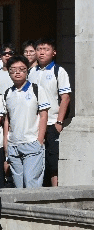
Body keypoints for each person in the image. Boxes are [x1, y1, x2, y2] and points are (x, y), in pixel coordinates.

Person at [28, 38, 72, 186]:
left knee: (53, 161)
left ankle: (55, 190)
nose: (42, 52)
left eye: (46, 49)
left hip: (52, 122)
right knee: (36, 159)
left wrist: (59, 122)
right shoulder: (31, 72)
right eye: (39, 49)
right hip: (34, 124)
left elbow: (65, 98)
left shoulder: (59, 71)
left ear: (53, 52)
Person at [4, 55, 48, 188]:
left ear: (27, 71)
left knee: (31, 182)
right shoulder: (8, 93)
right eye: (13, 69)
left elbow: (44, 115)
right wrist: (6, 143)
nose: (17, 72)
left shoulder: (37, 89)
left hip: (32, 143)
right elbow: (7, 119)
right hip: (13, 145)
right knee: (18, 186)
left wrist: (39, 140)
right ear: (8, 72)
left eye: (21, 69)